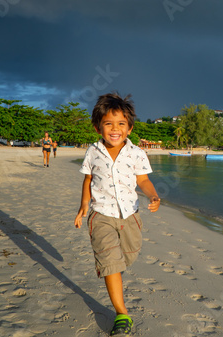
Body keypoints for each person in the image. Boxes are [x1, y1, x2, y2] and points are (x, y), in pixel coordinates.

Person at [74, 92, 160, 336]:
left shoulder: (136, 153)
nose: (115, 129)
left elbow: (143, 180)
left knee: (127, 257)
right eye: (108, 123)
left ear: (129, 128)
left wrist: (153, 196)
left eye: (121, 123)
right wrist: (83, 204)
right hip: (100, 214)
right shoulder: (93, 152)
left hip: (130, 215)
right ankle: (122, 314)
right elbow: (88, 178)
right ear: (98, 127)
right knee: (111, 264)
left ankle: (116, 267)